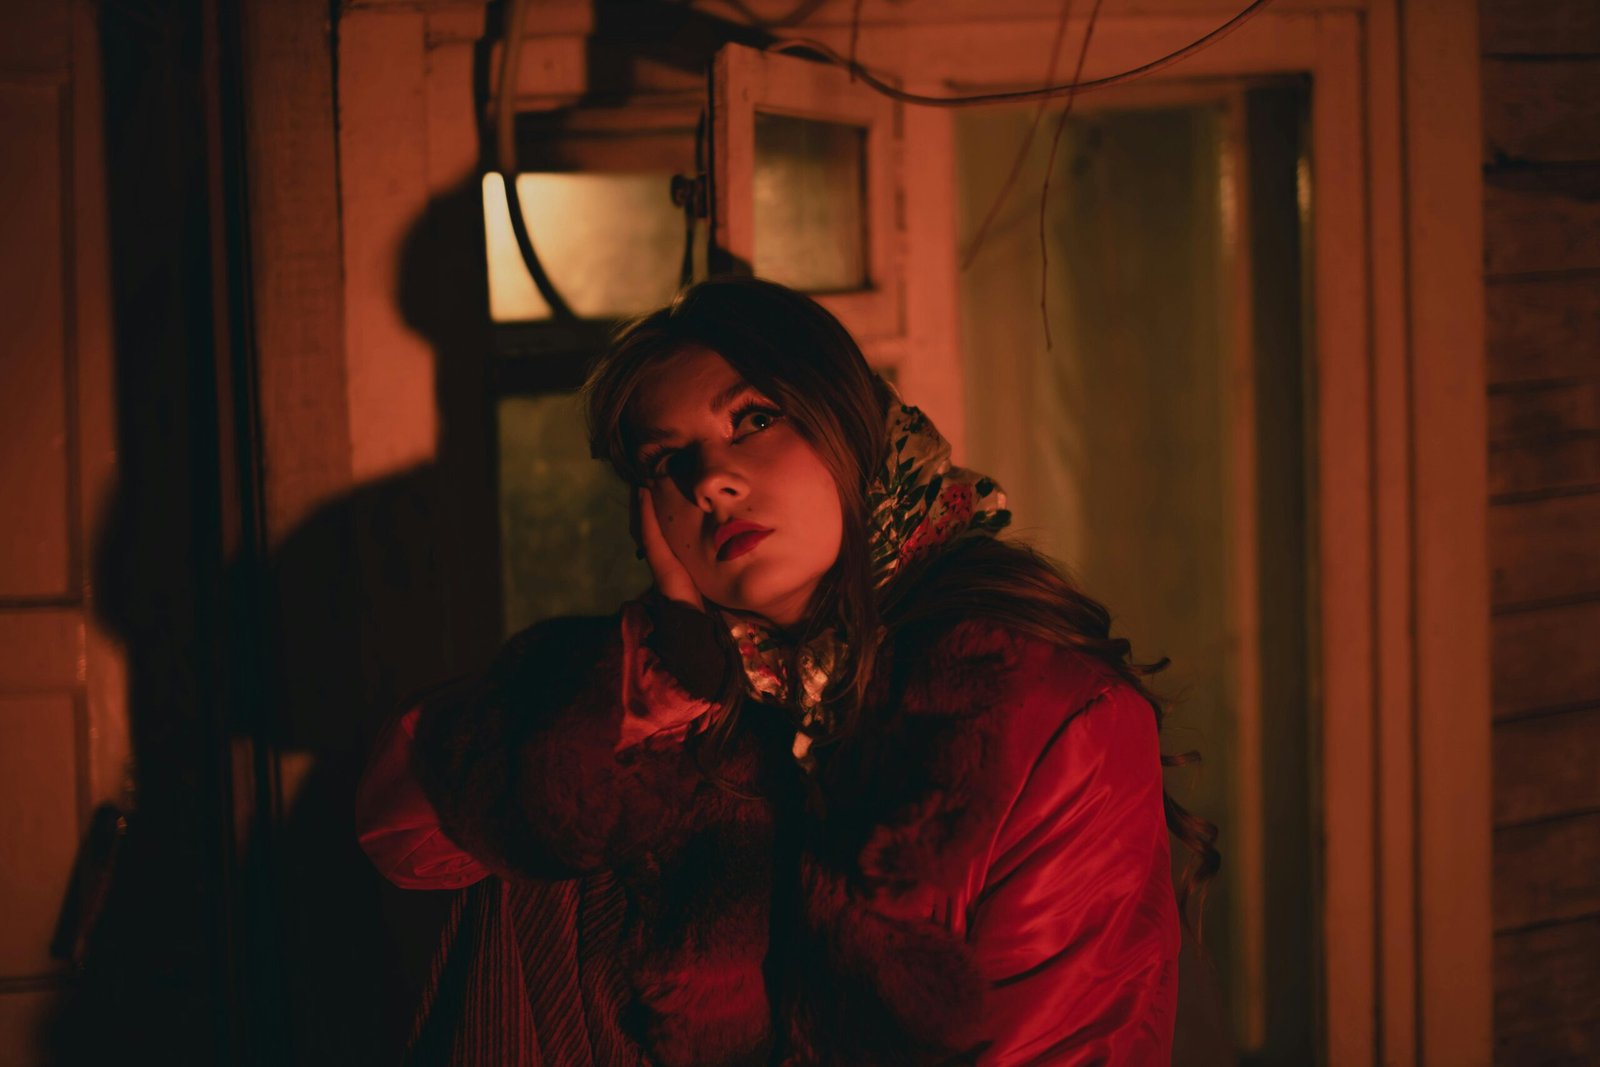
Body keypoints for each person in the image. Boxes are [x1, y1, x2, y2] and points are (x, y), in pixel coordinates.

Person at [356, 276, 1218, 1065]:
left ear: (847, 423)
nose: (711, 480)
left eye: (753, 419)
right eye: (666, 462)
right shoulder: (671, 694)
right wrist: (638, 704)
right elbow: (403, 840)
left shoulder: (1044, 711)